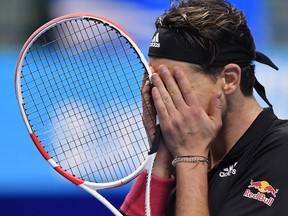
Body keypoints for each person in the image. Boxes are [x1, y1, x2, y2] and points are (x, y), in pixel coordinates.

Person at [120, 0, 288, 215]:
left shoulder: (281, 151)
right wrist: (160, 157)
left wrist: (190, 159)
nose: (158, 97)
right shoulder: (178, 154)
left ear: (229, 79)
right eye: (154, 83)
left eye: (173, 83)